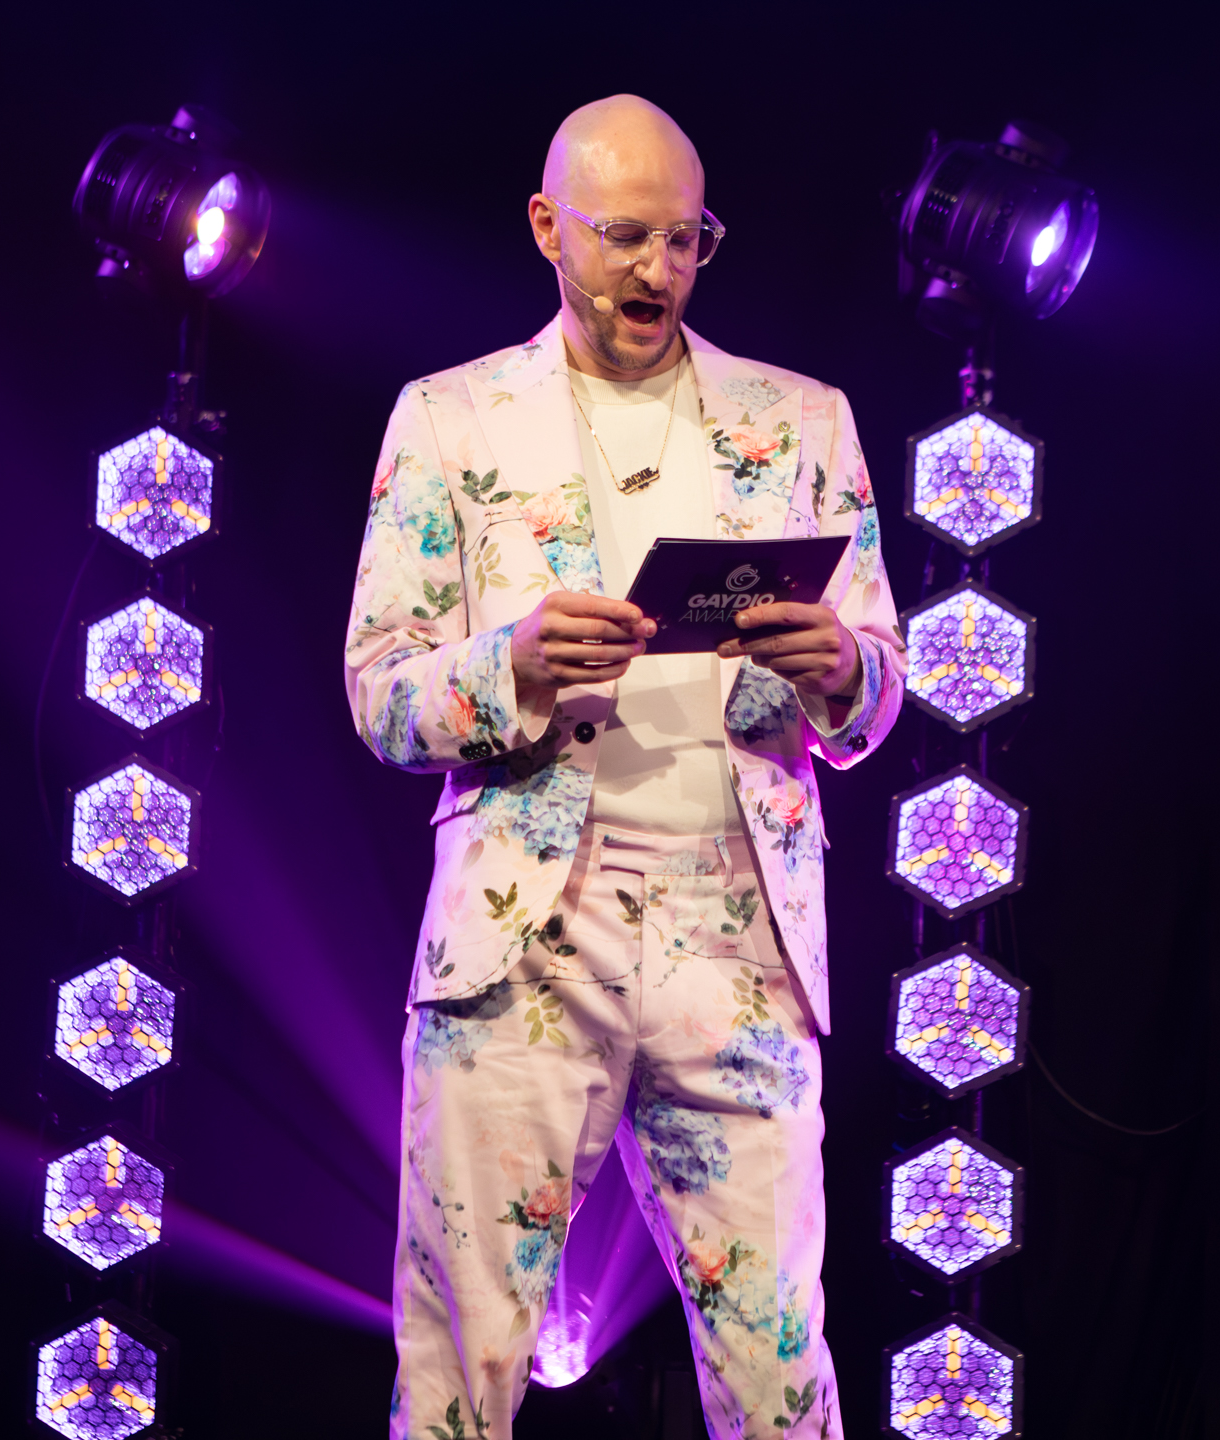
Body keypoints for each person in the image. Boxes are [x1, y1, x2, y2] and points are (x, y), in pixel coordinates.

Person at [345, 94, 902, 1440]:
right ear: (550, 227)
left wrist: (842, 668)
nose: (659, 269)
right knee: (459, 1362)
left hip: (739, 939)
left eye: (686, 240)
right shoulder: (453, 418)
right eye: (626, 237)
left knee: (779, 1371)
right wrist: (514, 666)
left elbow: (879, 690)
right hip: (527, 938)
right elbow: (379, 691)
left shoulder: (803, 420)